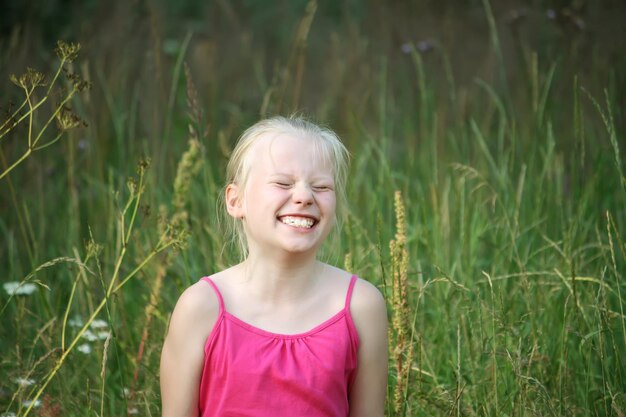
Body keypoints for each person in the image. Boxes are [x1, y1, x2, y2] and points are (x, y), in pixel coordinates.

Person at [160, 116, 388, 417]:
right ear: (235, 201)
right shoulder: (200, 307)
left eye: (321, 187)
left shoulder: (361, 305)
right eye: (283, 183)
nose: (305, 196)